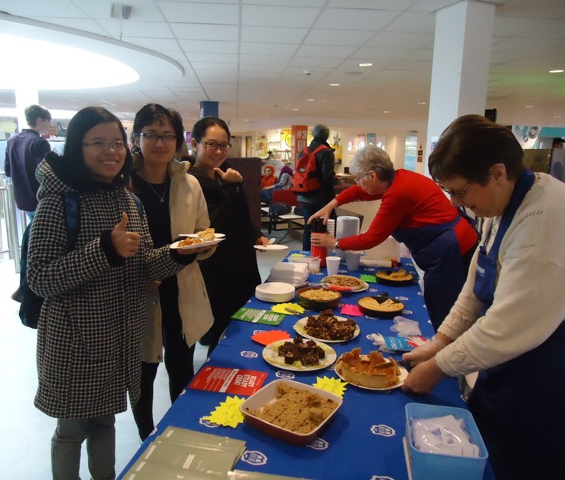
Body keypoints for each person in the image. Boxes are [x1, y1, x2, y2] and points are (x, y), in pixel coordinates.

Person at [27, 106, 195, 479]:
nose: (111, 152)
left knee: (105, 423)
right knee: (71, 432)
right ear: (77, 147)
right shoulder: (59, 201)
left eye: (116, 143)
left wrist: (178, 254)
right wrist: (105, 249)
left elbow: (145, 266)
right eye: (98, 143)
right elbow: (40, 277)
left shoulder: (127, 199)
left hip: (117, 338)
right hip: (73, 342)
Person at [401, 114, 565, 480]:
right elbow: (476, 286)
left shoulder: (544, 219)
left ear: (496, 173)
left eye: (460, 192)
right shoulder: (503, 201)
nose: (458, 203)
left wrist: (438, 367)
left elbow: (508, 324)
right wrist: (439, 342)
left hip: (546, 374)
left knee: (523, 462)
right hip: (509, 362)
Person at [309, 144, 478, 330]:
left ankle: (445, 351)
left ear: (372, 176)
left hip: (453, 249)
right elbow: (359, 192)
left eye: (358, 179)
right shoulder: (397, 178)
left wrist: (334, 242)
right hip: (450, 245)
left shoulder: (398, 193)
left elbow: (371, 238)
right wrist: (331, 205)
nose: (358, 184)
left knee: (444, 307)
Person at [129, 104, 215, 441]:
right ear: (137, 138)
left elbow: (204, 231)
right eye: (151, 134)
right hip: (139, 291)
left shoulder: (189, 184)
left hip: (181, 286)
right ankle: (145, 435)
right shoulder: (123, 184)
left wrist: (205, 246)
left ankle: (178, 433)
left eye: (168, 135)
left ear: (179, 141)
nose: (159, 143)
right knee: (142, 371)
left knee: (181, 366)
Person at [189, 117, 269, 354]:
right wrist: (232, 188)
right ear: (196, 144)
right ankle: (217, 382)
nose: (218, 151)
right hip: (218, 270)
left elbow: (243, 215)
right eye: (211, 144)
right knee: (224, 334)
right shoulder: (192, 182)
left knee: (238, 326)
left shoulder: (224, 175)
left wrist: (257, 235)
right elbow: (214, 228)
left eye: (224, 145)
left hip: (240, 265)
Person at [4, 104, 52, 220]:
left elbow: (8, 171)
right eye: (49, 121)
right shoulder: (40, 143)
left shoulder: (12, 141)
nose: (50, 125)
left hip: (22, 199)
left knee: (32, 231)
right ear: (40, 121)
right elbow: (46, 174)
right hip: (39, 200)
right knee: (41, 234)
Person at [296, 124, 338, 250]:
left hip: (304, 195)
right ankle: (327, 255)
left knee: (308, 227)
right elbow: (327, 178)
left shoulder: (303, 151)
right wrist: (337, 180)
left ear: (313, 134)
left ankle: (307, 255)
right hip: (322, 198)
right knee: (330, 226)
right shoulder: (327, 152)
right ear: (327, 136)